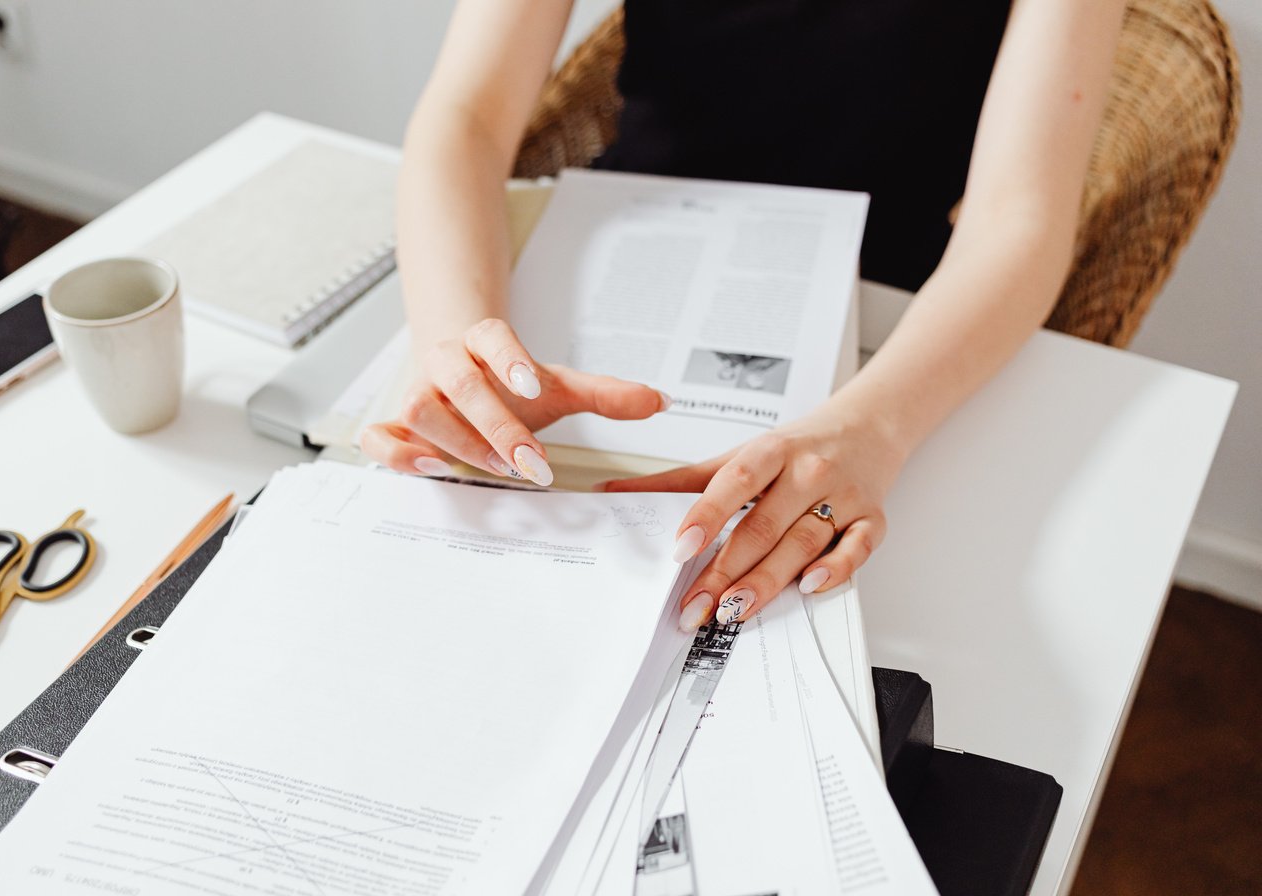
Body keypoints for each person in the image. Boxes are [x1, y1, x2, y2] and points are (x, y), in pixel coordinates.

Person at [361, 0, 1127, 631]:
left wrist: (874, 430)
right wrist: (461, 346)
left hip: (887, 330)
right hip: (616, 273)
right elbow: (467, 116)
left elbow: (1017, 215)